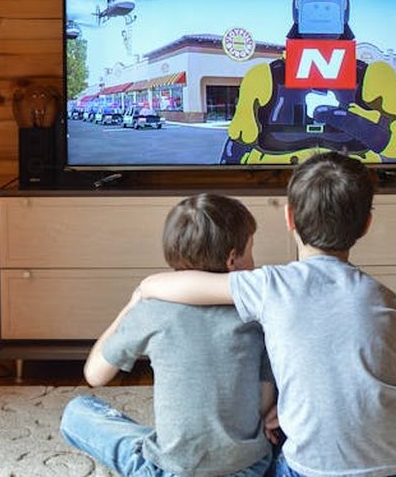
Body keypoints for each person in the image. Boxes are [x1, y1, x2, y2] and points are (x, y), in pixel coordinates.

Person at [138, 152, 396, 476]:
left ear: (289, 217)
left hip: (306, 471)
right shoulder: (386, 298)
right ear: (366, 225)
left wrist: (146, 287)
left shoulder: (270, 286)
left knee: (269, 442)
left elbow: (186, 285)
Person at [60, 193, 276, 477]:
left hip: (171, 471)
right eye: (250, 250)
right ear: (232, 259)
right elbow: (262, 401)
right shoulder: (256, 315)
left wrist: (133, 304)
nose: (254, 260)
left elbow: (95, 374)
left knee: (78, 410)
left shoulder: (152, 311)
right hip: (250, 467)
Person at [220, 0, 396, 165]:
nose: (321, 14)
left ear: (344, 12)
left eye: (328, 8)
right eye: (313, 7)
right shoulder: (263, 76)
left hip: (351, 179)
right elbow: (240, 138)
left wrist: (360, 124)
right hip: (278, 177)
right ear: (297, 12)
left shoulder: (374, 76)